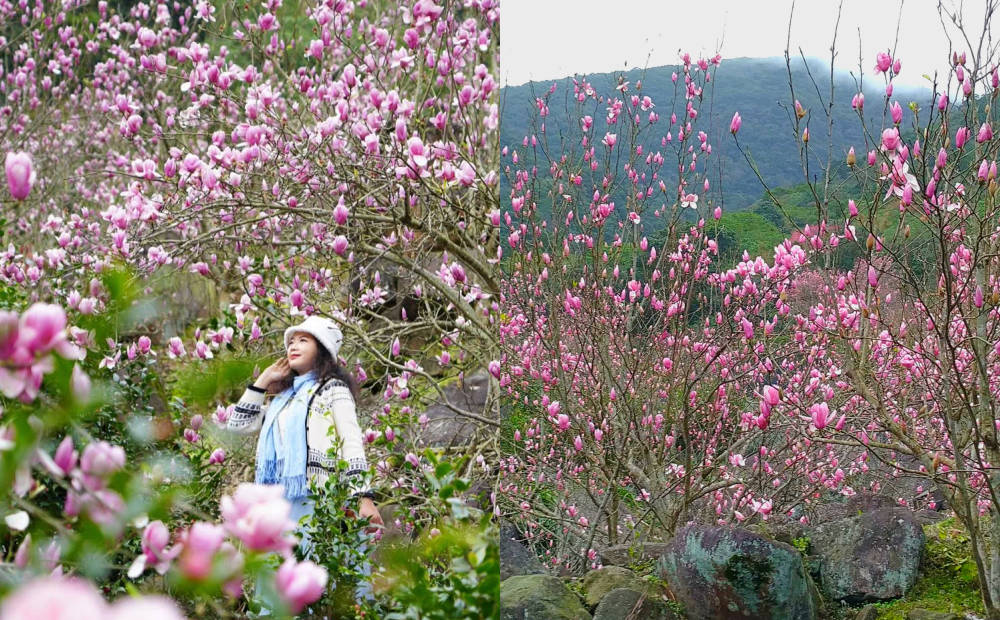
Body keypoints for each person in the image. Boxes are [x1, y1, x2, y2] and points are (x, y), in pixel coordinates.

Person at [226, 315, 384, 612]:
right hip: (279, 504)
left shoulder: (333, 389)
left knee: (316, 577)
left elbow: (351, 441)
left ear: (322, 349)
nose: (293, 346)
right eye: (291, 341)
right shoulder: (280, 398)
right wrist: (263, 381)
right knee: (279, 577)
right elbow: (237, 426)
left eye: (304, 340)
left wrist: (364, 496)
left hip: (319, 500)